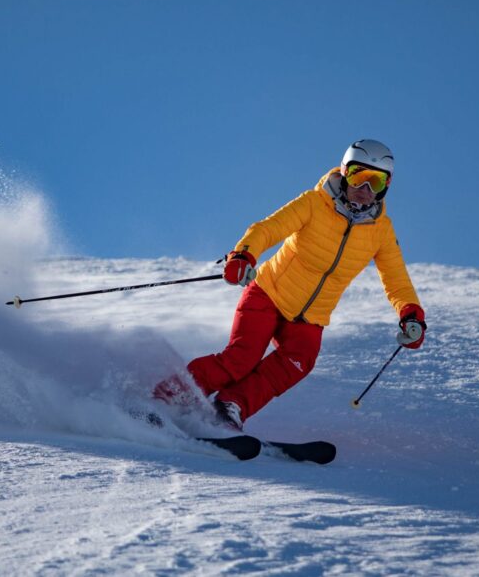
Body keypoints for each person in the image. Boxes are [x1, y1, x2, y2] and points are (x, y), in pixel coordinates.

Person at [154, 139, 426, 430]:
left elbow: (396, 277)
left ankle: (230, 406)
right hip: (269, 294)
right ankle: (167, 398)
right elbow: (268, 228)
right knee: (241, 358)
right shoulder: (314, 203)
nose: (365, 189)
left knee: (298, 362)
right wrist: (243, 256)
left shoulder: (381, 231)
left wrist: (411, 314)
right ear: (345, 172)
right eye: (359, 176)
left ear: (387, 185)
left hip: (310, 317)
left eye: (376, 181)